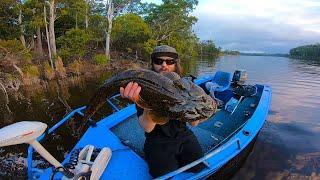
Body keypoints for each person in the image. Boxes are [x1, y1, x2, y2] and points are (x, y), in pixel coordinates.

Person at [120, 45, 206, 177]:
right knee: (163, 175)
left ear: (176, 64)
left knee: (199, 166)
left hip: (183, 134)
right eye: (158, 61)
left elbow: (194, 123)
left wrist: (201, 106)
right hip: (157, 140)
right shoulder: (143, 88)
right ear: (153, 64)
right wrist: (147, 103)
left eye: (170, 61)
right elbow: (148, 128)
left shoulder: (187, 87)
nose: (164, 65)